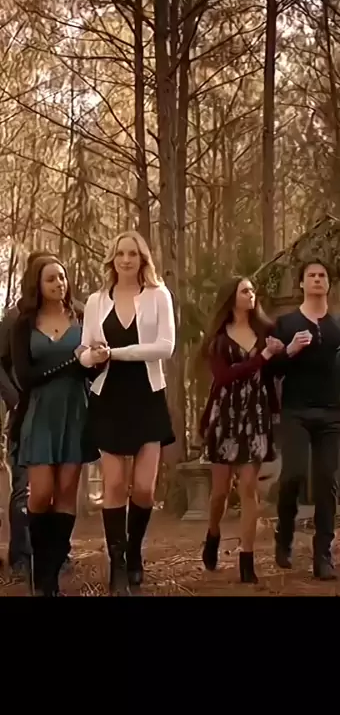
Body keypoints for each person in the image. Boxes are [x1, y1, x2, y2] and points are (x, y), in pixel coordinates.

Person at [79, 230, 176, 596]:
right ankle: (118, 565)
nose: (126, 260)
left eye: (133, 254)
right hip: (108, 397)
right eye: (120, 253)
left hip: (147, 396)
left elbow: (165, 347)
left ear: (142, 259)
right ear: (113, 259)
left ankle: (135, 551)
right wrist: (93, 356)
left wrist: (115, 353)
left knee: (146, 489)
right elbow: (84, 352)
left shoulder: (158, 295)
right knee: (115, 485)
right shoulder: (96, 301)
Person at [270, 259, 340, 581]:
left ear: (328, 283)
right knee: (293, 476)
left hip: (329, 416)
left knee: (327, 482)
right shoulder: (285, 323)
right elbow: (272, 370)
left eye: (322, 275)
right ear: (301, 283)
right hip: (295, 412)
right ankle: (284, 533)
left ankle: (323, 555)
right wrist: (290, 350)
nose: (316, 279)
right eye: (310, 275)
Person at [9, 255, 98, 596]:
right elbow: (26, 376)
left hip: (76, 411)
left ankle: (49, 579)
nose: (59, 284)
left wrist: (97, 360)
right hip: (40, 413)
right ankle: (38, 565)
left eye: (62, 277)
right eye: (51, 279)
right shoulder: (24, 324)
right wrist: (71, 362)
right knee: (41, 493)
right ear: (38, 285)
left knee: (65, 495)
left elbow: (90, 370)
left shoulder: (83, 316)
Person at [198, 276, 284, 584]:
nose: (251, 294)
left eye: (252, 290)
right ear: (231, 298)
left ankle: (247, 560)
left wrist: (285, 351)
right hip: (225, 416)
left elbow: (277, 368)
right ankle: (212, 534)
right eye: (244, 290)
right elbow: (224, 377)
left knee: (248, 488)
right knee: (220, 493)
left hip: (256, 415)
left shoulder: (266, 331)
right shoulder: (218, 338)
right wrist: (262, 357)